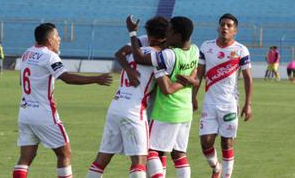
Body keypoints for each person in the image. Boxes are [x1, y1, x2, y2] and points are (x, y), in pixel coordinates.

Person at [12, 23, 112, 178]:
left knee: (25, 158)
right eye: (57, 36)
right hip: (44, 113)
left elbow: (22, 82)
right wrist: (96, 79)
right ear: (49, 39)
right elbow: (67, 78)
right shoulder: (49, 56)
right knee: (65, 153)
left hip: (25, 111)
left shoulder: (27, 53)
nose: (59, 39)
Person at [86, 16, 175, 178]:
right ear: (165, 36)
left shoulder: (135, 50)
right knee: (140, 160)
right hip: (135, 110)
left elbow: (121, 54)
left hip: (116, 105)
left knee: (102, 158)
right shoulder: (158, 57)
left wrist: (128, 69)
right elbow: (164, 87)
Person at [127, 15, 199, 178]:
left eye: (170, 31)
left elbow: (139, 58)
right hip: (185, 111)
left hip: (167, 111)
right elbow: (195, 77)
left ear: (178, 36)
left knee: (150, 150)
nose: (166, 34)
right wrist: (191, 81)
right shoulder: (195, 50)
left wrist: (132, 33)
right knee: (178, 154)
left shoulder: (168, 55)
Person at [189, 13, 253, 178]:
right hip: (209, 103)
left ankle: (226, 175)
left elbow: (247, 78)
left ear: (235, 30)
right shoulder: (206, 47)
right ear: (218, 28)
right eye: (222, 24)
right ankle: (216, 167)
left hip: (229, 104)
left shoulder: (241, 50)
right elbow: (200, 74)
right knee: (206, 142)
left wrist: (248, 104)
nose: (225, 27)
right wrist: (193, 96)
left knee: (227, 142)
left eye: (229, 25)